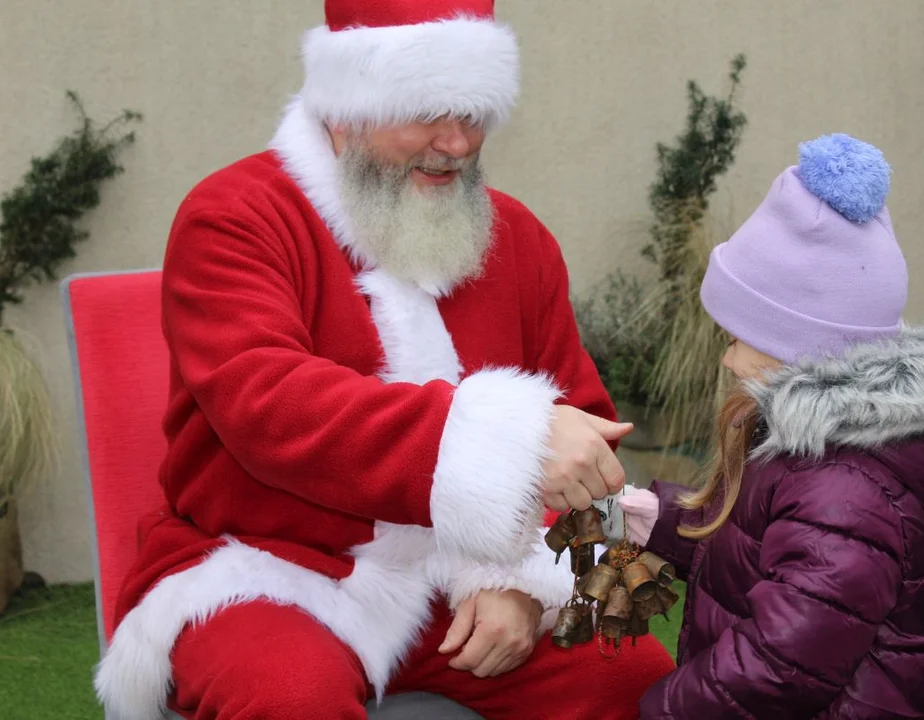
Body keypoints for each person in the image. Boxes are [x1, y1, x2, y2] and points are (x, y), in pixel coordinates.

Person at [93, 1, 674, 718]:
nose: (458, 144)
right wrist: (503, 439)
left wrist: (527, 583)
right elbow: (270, 406)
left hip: (468, 574)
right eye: (428, 112)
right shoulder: (234, 217)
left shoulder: (518, 238)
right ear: (345, 108)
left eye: (474, 114)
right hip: (274, 567)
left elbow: (585, 435)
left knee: (632, 674)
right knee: (289, 696)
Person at [619, 133, 924, 719]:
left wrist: (663, 709)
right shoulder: (821, 455)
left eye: (738, 339)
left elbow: (778, 664)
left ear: (796, 350)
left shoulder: (844, 492)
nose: (727, 359)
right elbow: (761, 550)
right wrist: (653, 518)